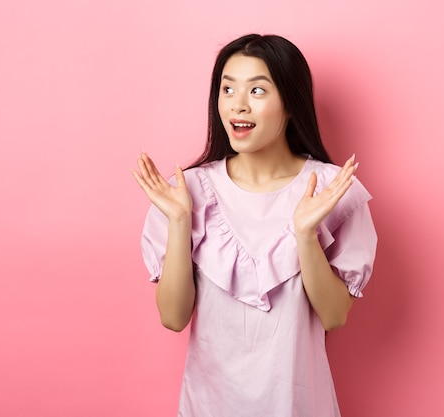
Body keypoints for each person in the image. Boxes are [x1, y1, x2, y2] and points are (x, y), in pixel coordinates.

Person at [132, 33, 377, 417]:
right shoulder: (186, 191)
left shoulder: (332, 189)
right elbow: (173, 317)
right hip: (208, 407)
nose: (237, 105)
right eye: (227, 89)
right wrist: (180, 221)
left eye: (257, 91)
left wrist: (305, 235)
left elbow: (334, 316)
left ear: (291, 104)